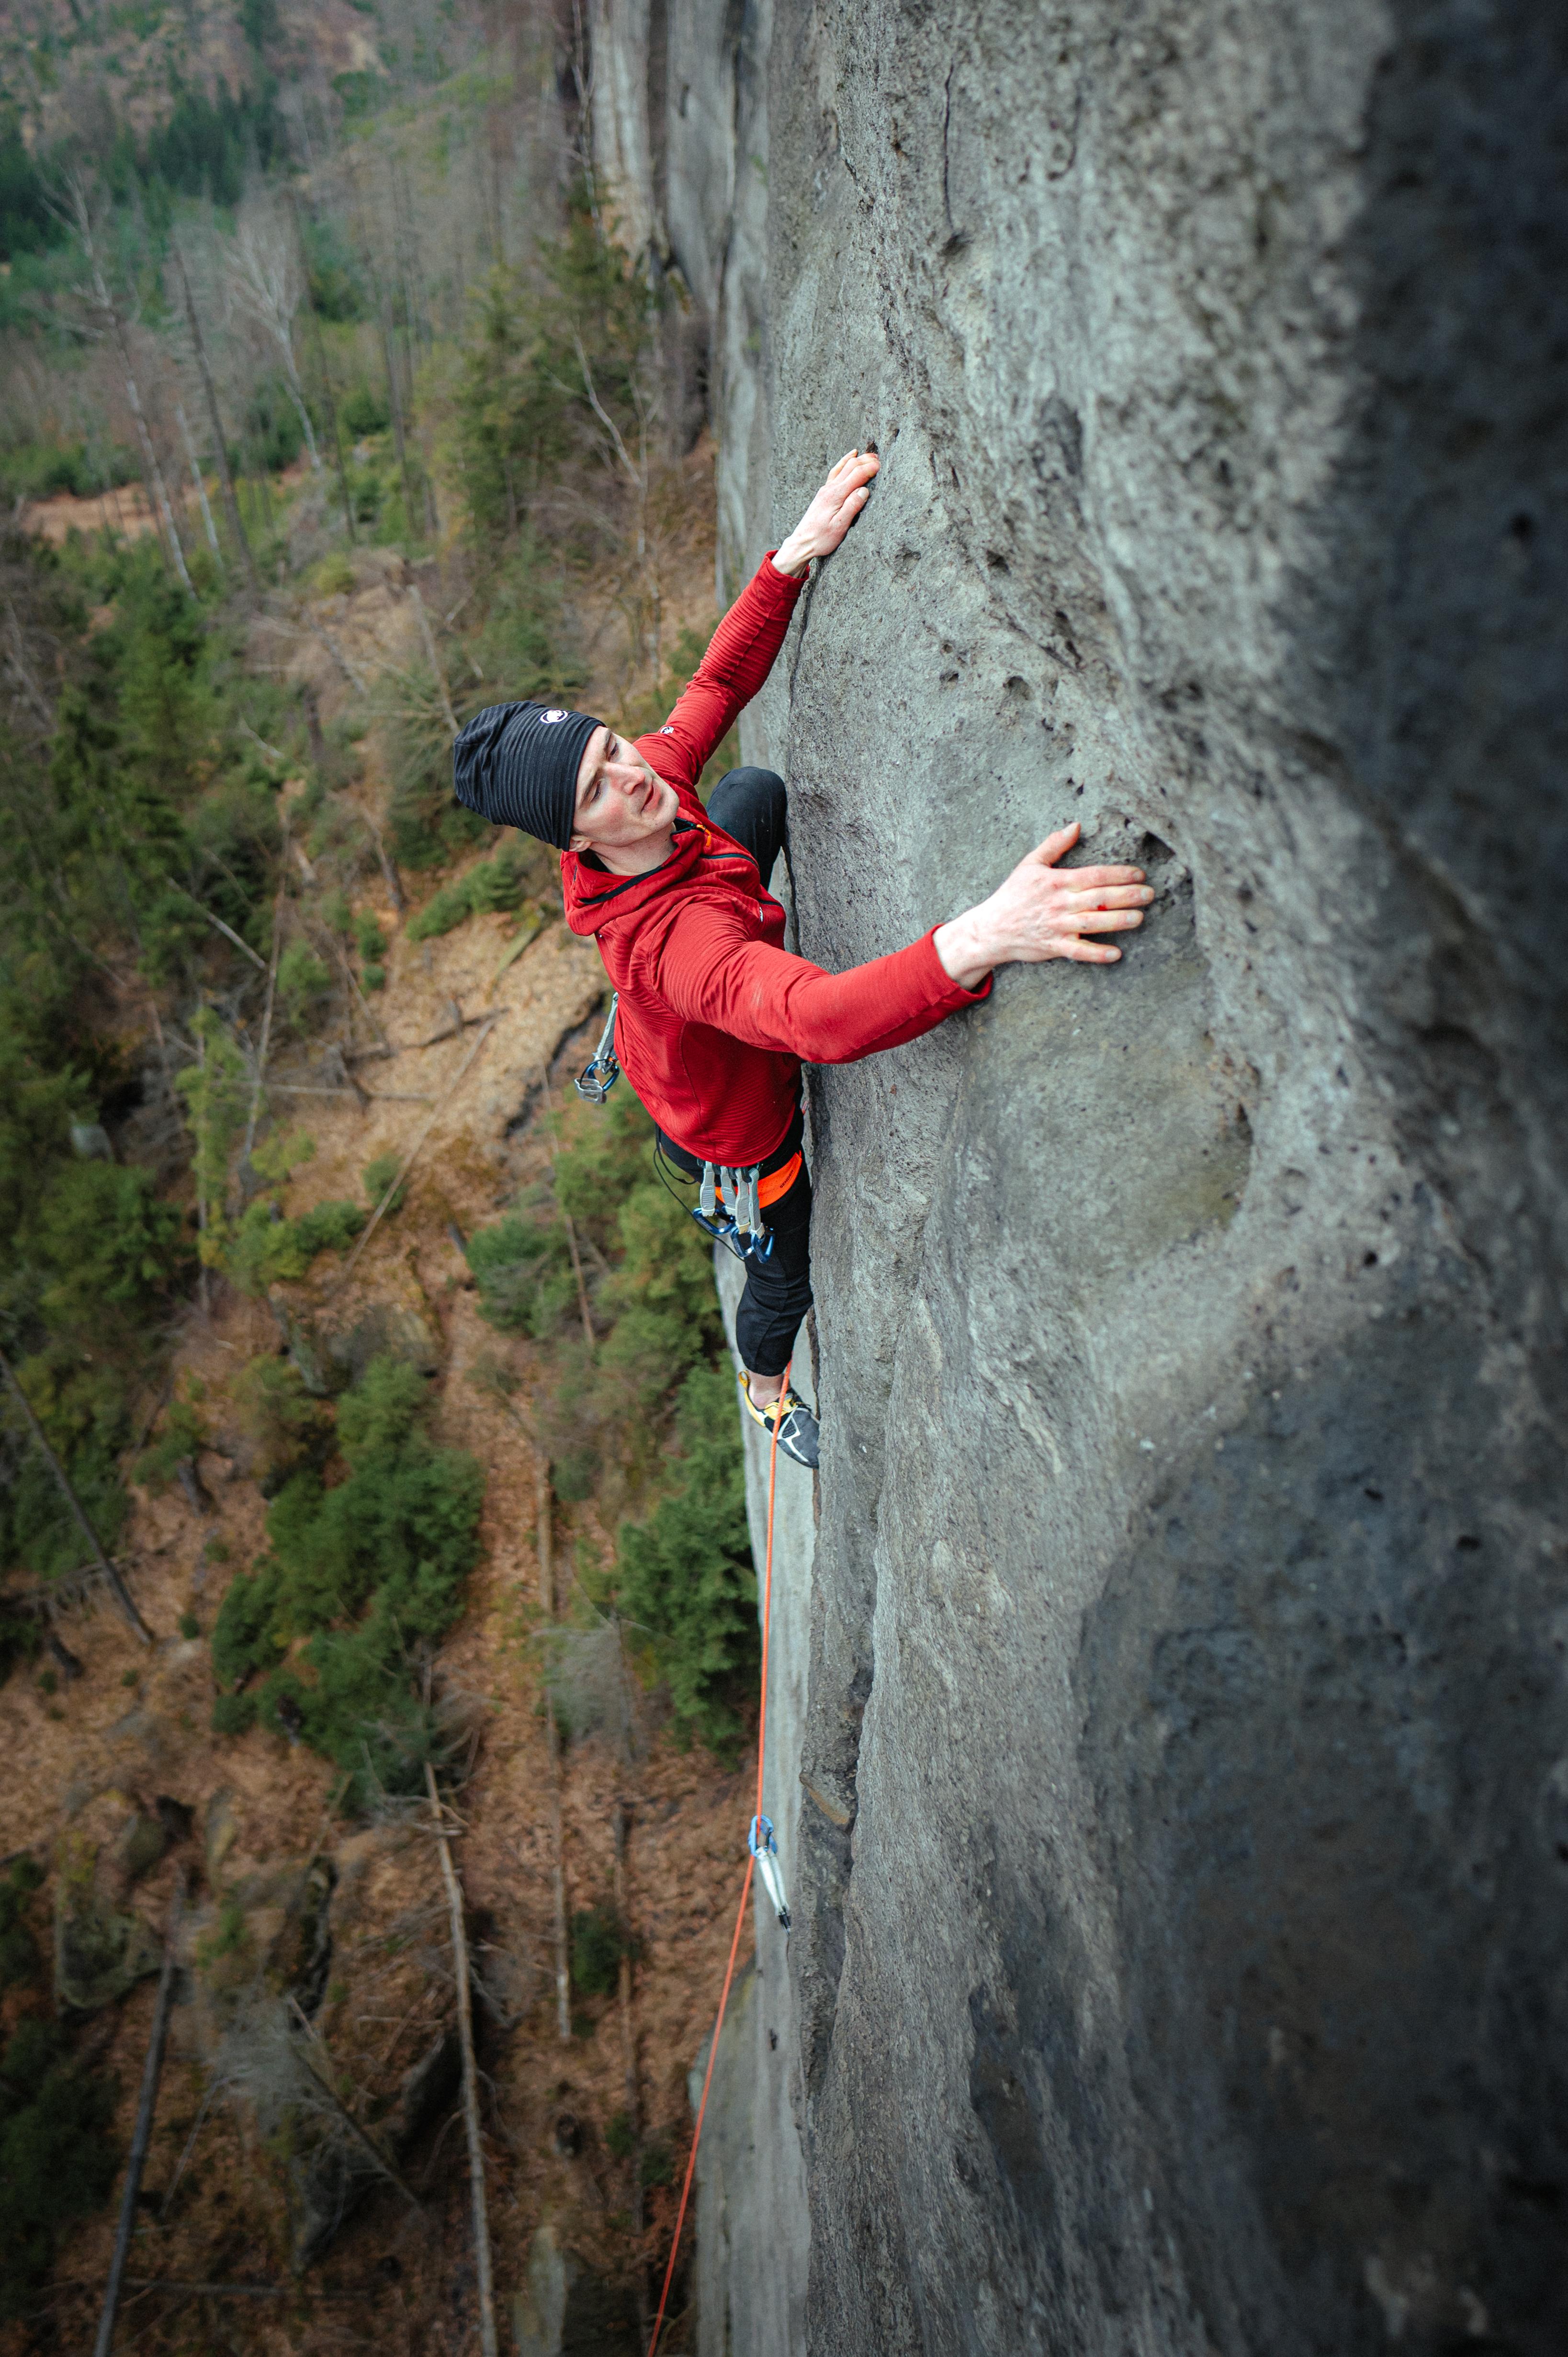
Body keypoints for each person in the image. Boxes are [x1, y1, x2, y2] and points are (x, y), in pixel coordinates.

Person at [451, 450, 1153, 1468]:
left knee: (755, 792)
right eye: (598, 788)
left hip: (703, 949)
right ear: (573, 842)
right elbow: (817, 1023)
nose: (632, 774)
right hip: (738, 1121)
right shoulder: (679, 949)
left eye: (611, 746)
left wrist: (794, 555)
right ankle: (765, 1385)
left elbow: (714, 683)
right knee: (786, 1272)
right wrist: (991, 930)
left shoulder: (653, 785)